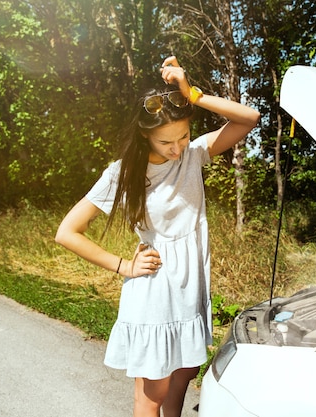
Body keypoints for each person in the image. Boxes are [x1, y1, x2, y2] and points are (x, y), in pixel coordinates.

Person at [55, 56, 260, 417]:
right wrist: (123, 266)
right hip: (155, 290)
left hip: (190, 287)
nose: (177, 147)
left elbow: (249, 118)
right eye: (167, 141)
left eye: (182, 136)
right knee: (152, 393)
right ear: (144, 133)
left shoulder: (193, 155)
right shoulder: (124, 173)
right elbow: (67, 232)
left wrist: (192, 93)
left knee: (183, 376)